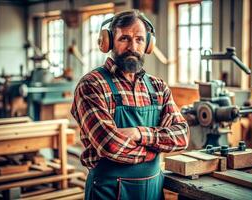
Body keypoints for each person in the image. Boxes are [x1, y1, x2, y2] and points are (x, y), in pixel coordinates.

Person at [71, 9, 190, 200]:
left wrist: (138, 133)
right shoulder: (92, 84)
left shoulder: (158, 87)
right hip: (108, 191)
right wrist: (154, 150)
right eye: (124, 38)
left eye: (140, 39)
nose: (132, 47)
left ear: (148, 44)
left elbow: (182, 136)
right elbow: (110, 145)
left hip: (152, 189)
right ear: (108, 42)